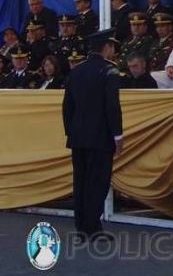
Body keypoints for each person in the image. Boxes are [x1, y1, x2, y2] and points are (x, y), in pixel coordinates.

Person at [62, 28, 123, 242]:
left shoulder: (76, 71)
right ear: (106, 47)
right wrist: (117, 135)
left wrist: (70, 131)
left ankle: (81, 225)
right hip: (100, 137)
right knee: (97, 182)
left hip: (78, 136)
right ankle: (92, 226)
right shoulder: (109, 72)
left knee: (80, 181)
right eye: (112, 46)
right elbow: (112, 107)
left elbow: (67, 106)